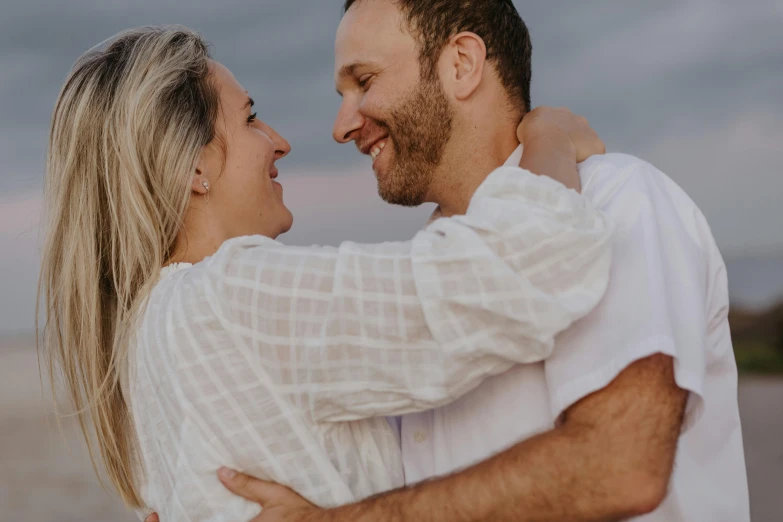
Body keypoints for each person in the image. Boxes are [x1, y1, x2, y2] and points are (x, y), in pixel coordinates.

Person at [147, 1, 749, 521]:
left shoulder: (620, 200)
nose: (339, 126)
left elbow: (620, 467)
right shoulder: (424, 277)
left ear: (461, 64)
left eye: (364, 80)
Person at [38, 25, 614, 522]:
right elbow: (520, 275)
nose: (279, 142)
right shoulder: (228, 298)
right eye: (251, 119)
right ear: (193, 164)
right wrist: (549, 140)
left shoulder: (145, 335)